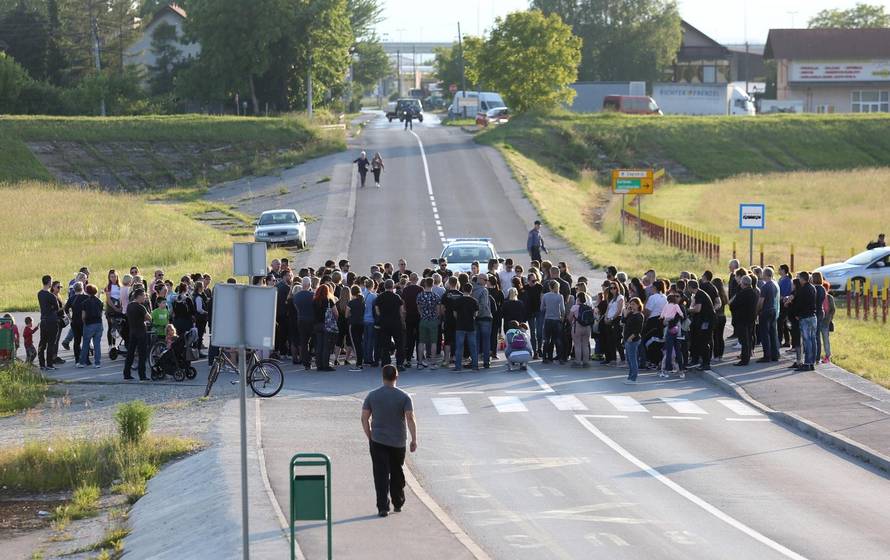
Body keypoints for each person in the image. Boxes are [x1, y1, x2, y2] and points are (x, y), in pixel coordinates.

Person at [361, 365, 417, 518]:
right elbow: (410, 418)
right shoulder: (404, 397)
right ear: (397, 377)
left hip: (378, 440)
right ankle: (398, 502)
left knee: (380, 474)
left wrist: (369, 435)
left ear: (382, 377)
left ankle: (382, 507)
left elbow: (364, 418)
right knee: (397, 471)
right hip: (398, 441)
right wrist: (414, 439)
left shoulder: (372, 396)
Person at [374, 279, 405, 368]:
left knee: (385, 343)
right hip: (396, 322)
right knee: (399, 343)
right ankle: (399, 363)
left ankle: (386, 362)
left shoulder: (380, 297)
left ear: (384, 286)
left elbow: (377, 310)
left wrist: (382, 315)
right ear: (393, 286)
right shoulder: (397, 297)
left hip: (384, 322)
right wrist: (402, 321)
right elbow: (401, 311)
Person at [123, 289, 151, 381]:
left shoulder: (129, 306)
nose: (145, 297)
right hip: (141, 332)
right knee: (142, 354)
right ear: (139, 296)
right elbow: (149, 318)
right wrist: (146, 321)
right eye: (144, 296)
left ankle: (126, 373)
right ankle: (142, 375)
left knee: (130, 353)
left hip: (132, 331)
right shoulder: (141, 307)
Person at [730, 275, 758, 366]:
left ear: (744, 284)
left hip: (742, 319)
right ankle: (747, 357)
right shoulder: (754, 293)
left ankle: (744, 359)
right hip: (751, 319)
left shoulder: (742, 293)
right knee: (748, 339)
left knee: (744, 340)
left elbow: (733, 305)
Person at [687, 280, 714, 372]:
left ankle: (706, 363)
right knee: (699, 341)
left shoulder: (699, 294)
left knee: (704, 341)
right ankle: (699, 361)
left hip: (706, 321)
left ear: (690, 287)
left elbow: (698, 309)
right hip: (704, 320)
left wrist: (688, 310)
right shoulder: (699, 294)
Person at [452, 283, 479, 371]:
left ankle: (458, 366)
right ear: (471, 291)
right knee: (473, 347)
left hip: (460, 325)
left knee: (459, 347)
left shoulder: (458, 300)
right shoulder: (474, 301)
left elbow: (455, 314)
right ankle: (475, 366)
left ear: (463, 289)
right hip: (471, 326)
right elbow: (475, 314)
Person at [795, 272, 818, 372]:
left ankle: (807, 363)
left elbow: (799, 304)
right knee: (813, 340)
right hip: (813, 316)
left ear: (802, 279)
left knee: (807, 340)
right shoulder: (813, 288)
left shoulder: (803, 289)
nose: (799, 280)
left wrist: (797, 314)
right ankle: (812, 362)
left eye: (799, 278)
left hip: (805, 317)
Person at [416, 278, 441, 369]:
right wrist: (435, 317)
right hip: (433, 320)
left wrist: (422, 314)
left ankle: (419, 363)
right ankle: (433, 363)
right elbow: (438, 310)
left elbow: (418, 308)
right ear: (432, 284)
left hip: (423, 320)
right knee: (433, 342)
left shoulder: (420, 295)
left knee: (421, 341)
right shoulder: (436, 296)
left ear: (425, 284)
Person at [757, 268, 781, 363]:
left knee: (764, 334)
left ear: (766, 275)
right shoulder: (775, 285)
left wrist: (757, 310)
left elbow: (761, 301)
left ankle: (766, 355)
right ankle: (775, 355)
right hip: (773, 310)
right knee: (772, 333)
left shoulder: (765, 286)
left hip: (766, 311)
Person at [37, 275, 60, 371]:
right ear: (49, 282)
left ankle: (42, 364)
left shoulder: (40, 294)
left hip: (43, 320)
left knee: (42, 343)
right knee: (51, 343)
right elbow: (57, 308)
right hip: (51, 321)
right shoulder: (51, 296)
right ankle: (49, 364)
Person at [313, 284, 338, 372]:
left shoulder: (314, 300)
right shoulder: (329, 301)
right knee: (326, 346)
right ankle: (325, 365)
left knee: (319, 345)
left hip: (316, 325)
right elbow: (336, 314)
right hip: (326, 325)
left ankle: (318, 365)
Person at [541, 280, 565, 364]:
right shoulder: (560, 296)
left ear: (549, 287)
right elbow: (562, 309)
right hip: (557, 320)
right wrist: (562, 317)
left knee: (547, 339)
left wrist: (548, 308)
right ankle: (561, 358)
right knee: (558, 339)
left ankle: (545, 357)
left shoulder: (545, 296)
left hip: (548, 319)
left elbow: (542, 308)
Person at [80, 284, 104, 369]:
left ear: (86, 291)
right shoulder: (100, 302)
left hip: (89, 324)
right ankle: (97, 363)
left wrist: (84, 323)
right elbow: (101, 314)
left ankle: (82, 362)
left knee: (85, 344)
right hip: (98, 323)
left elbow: (83, 316)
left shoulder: (85, 303)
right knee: (97, 344)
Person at [568, 292, 593, 368]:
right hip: (587, 327)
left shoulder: (574, 307)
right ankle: (586, 362)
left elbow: (570, 318)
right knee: (585, 345)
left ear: (578, 298)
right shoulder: (588, 307)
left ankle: (578, 362)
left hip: (577, 326)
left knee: (577, 344)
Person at [623, 298, 644, 383]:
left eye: (634, 304)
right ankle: (630, 376)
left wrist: (630, 338)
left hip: (633, 340)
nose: (632, 306)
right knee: (629, 359)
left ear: (638, 305)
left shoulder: (639, 315)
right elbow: (623, 321)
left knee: (633, 359)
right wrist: (626, 313)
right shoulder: (631, 314)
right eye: (631, 304)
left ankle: (633, 378)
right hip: (626, 338)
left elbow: (638, 330)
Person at [347, 285, 366, 371]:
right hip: (361, 323)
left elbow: (346, 314)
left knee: (355, 344)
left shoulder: (351, 303)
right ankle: (360, 362)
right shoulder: (362, 302)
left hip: (353, 324)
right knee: (360, 343)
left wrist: (351, 315)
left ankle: (358, 364)